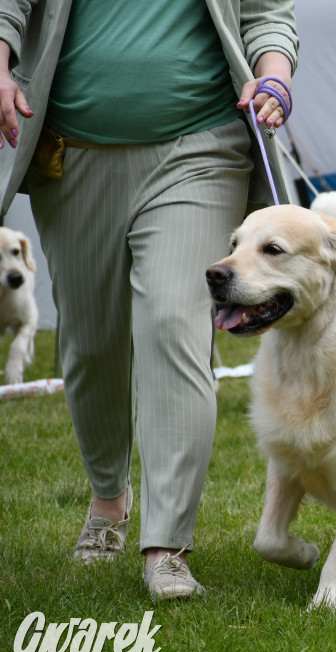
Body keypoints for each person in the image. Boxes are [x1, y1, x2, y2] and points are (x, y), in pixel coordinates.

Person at [0, 1, 299, 600]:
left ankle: (167, 547)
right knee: (91, 344)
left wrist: (275, 76)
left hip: (201, 145)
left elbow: (268, 11)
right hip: (71, 150)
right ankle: (109, 501)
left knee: (174, 322)